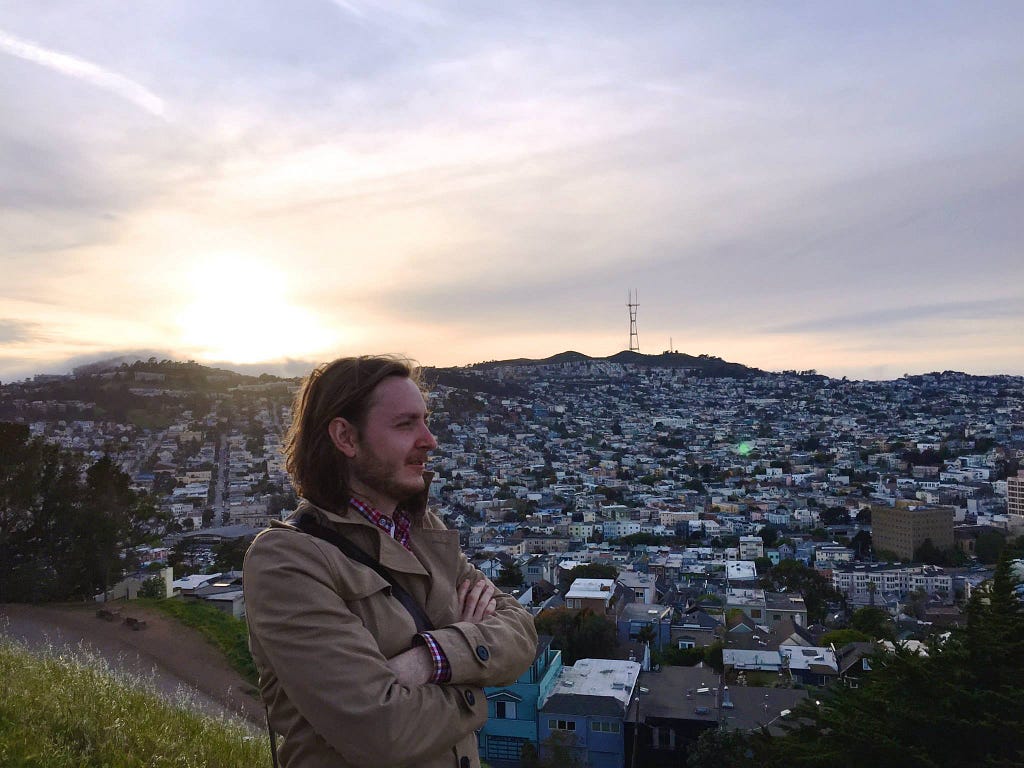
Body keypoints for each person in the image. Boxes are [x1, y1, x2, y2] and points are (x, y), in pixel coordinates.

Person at [244, 355, 537, 768]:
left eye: (425, 420)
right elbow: (385, 733)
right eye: (405, 425)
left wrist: (430, 657)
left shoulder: (423, 530)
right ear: (346, 437)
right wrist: (476, 679)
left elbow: (521, 631)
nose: (430, 440)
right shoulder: (287, 561)